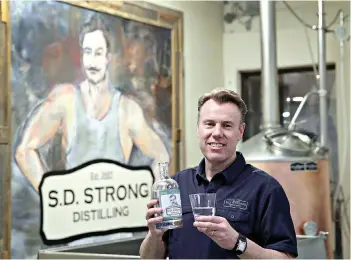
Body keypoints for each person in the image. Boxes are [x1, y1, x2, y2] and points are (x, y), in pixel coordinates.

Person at [14, 14, 169, 192]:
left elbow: (162, 156)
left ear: (108, 57)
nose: (92, 62)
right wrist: (52, 197)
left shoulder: (127, 109)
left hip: (119, 216)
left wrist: (146, 196)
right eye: (87, 52)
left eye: (98, 53)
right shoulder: (66, 99)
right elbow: (24, 151)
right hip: (76, 216)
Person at [139, 88, 298, 259]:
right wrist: (154, 235)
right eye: (209, 124)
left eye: (227, 125)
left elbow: (285, 258)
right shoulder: (177, 183)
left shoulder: (265, 189)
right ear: (198, 129)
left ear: (240, 132)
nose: (217, 133)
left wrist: (238, 243)